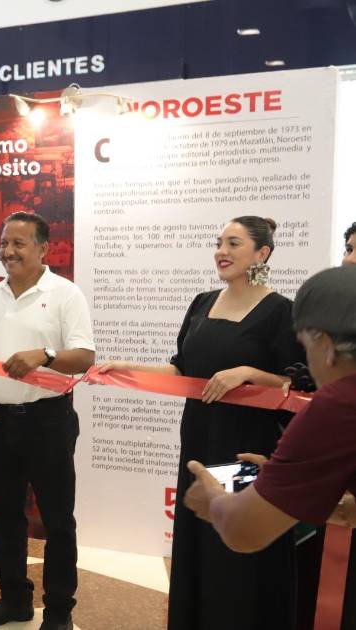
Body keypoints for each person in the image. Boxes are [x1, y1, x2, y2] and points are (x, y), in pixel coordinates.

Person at [99, 216, 305, 630]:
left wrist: (248, 372)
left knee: (238, 543)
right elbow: (181, 371)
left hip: (247, 449)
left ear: (262, 253)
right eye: (219, 243)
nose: (221, 252)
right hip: (198, 441)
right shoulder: (201, 302)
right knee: (200, 538)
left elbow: (297, 384)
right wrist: (126, 368)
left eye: (234, 243)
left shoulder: (281, 311)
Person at [184, 265, 356, 627]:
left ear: (326, 347)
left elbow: (244, 530)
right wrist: (288, 485)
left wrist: (213, 498)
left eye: (305, 347)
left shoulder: (337, 406)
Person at [0, 212, 95, 630]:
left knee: (58, 520)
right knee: (4, 516)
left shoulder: (65, 294)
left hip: (48, 420)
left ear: (43, 249)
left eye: (18, 244)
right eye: (5, 243)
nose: (8, 251)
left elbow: (85, 357)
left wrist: (46, 355)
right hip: (0, 422)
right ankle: (14, 600)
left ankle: (58, 610)